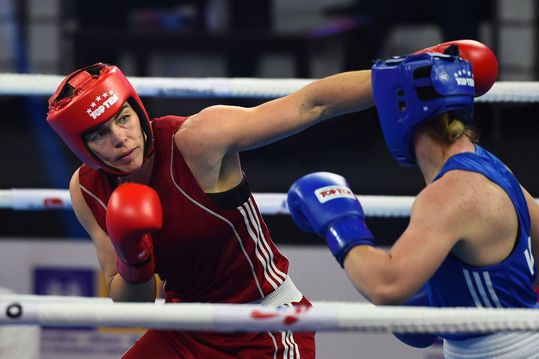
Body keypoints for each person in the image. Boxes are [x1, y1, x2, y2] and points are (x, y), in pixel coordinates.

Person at [44, 52, 374, 357]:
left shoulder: (196, 141)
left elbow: (312, 104)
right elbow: (132, 305)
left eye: (123, 118)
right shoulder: (87, 190)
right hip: (185, 328)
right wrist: (134, 256)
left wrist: (395, 77)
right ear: (82, 147)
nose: (119, 137)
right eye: (99, 134)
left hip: (263, 321)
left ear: (138, 110)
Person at [286, 44, 539, 357]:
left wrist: (339, 222)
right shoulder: (492, 166)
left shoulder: (450, 194)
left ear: (400, 111)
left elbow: (385, 285)